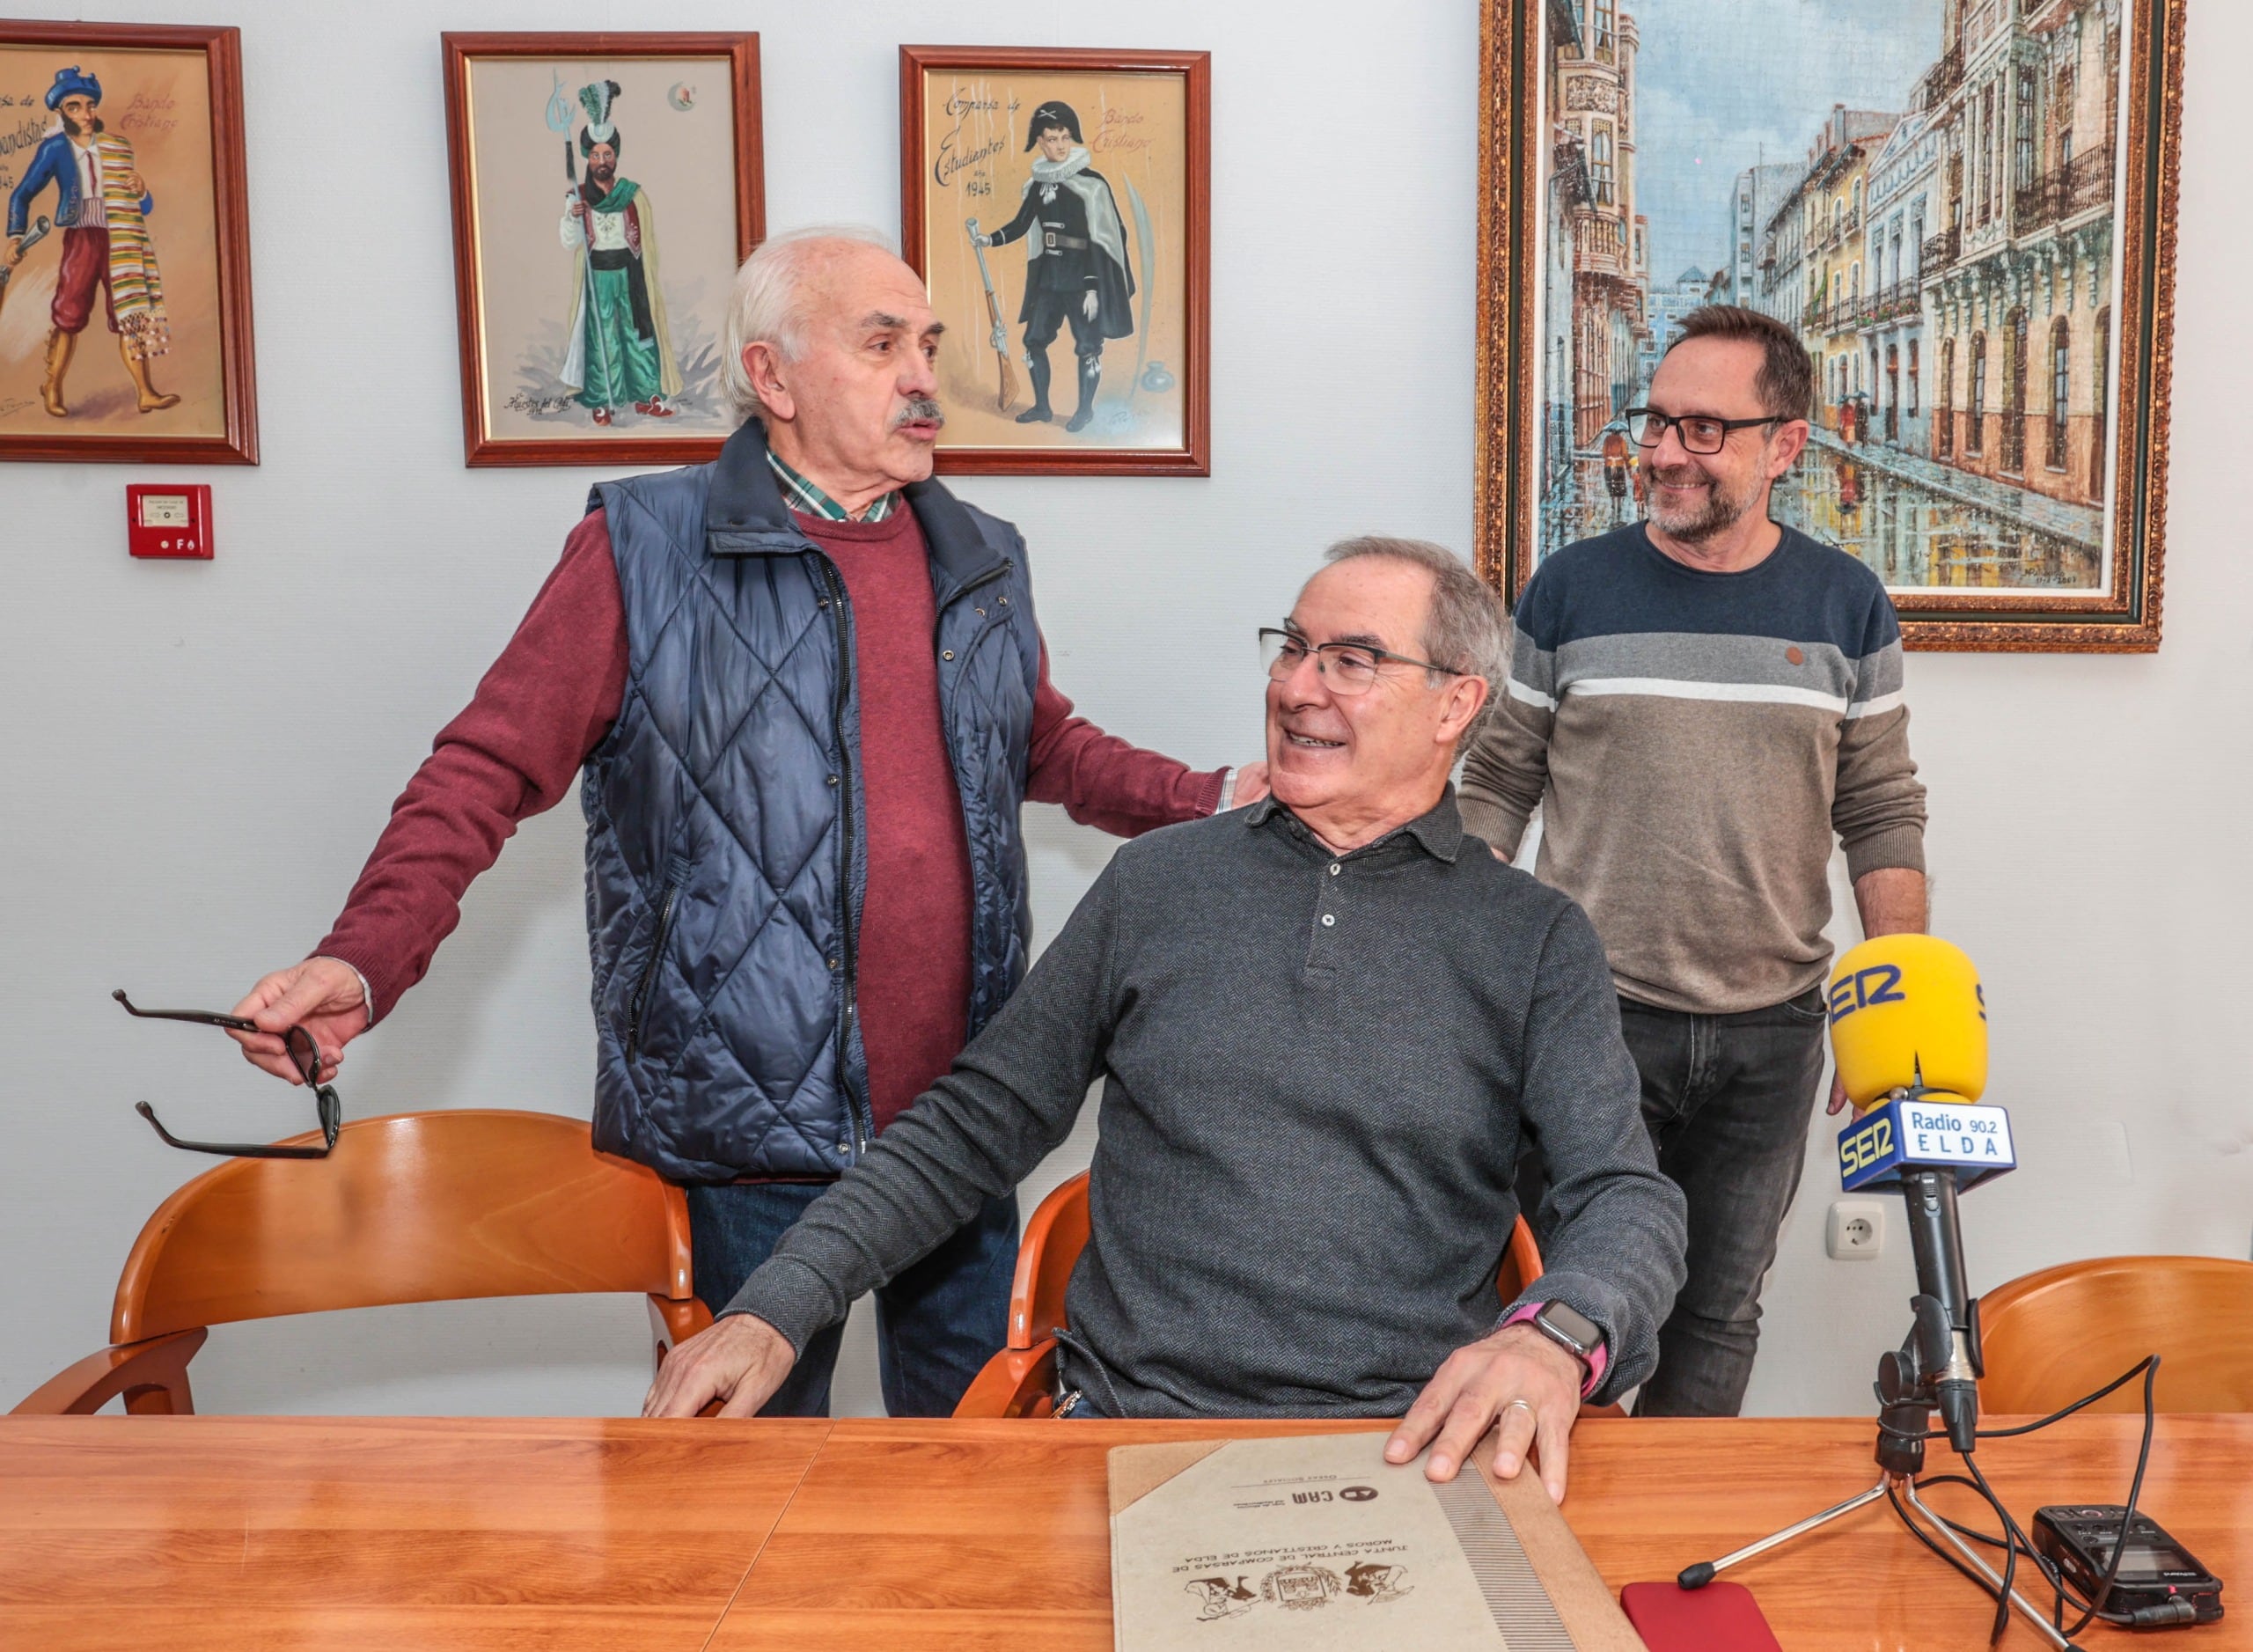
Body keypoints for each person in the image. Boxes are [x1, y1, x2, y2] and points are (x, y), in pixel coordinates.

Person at [225, 227, 1262, 1419]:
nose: (923, 374)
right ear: (772, 378)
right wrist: (364, 959)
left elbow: (1038, 745)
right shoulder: (643, 549)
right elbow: (486, 765)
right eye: (881, 344)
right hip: (744, 1124)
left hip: (959, 1120)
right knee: (738, 1498)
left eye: (926, 342)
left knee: (980, 1479)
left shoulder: (979, 556)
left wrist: (1215, 795)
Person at [646, 536, 1689, 1506]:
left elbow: (1626, 1199)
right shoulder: (1156, 883)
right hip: (1129, 1435)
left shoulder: (1532, 934)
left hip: (1406, 1446)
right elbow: (970, 1125)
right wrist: (777, 1301)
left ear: (1456, 702)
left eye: (1352, 658)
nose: (1293, 686)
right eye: (1292, 647)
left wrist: (1555, 1332)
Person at [1461, 304, 1928, 1419]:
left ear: (1786, 444)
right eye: (1659, 420)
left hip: (1772, 1033)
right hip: (1585, 1020)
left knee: (1715, 1315)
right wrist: (1461, 973)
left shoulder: (1845, 603)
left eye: (1704, 429)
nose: (1664, 451)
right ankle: (1540, 1563)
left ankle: (1659, 1572)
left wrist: (1896, 1006)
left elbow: (1878, 804)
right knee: (1553, 1314)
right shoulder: (1569, 588)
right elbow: (1496, 786)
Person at [4, 65, 179, 417]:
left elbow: (142, 207)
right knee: (69, 315)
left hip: (122, 238)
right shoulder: (54, 149)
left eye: (90, 105)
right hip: (82, 239)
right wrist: (15, 235)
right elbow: (21, 194)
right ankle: (52, 386)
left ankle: (145, 392)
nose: (86, 114)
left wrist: (143, 191)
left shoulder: (117, 147)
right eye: (76, 107)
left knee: (131, 315)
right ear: (61, 112)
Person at [978, 100, 1134, 432]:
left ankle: (1084, 411)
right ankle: (1043, 407)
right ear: (1040, 142)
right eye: (1051, 138)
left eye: (1064, 137)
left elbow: (1103, 239)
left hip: (1083, 280)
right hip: (1049, 279)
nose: (1059, 145)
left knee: (1089, 347)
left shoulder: (1092, 185)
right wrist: (990, 239)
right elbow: (1021, 224)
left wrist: (1094, 287)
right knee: (1034, 341)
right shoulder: (1037, 184)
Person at [558, 80, 681, 425]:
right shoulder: (578, 197)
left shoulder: (632, 194)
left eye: (607, 155)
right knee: (602, 339)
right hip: (598, 277)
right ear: (588, 157)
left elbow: (647, 243)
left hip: (630, 276)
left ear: (615, 157)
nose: (602, 161)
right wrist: (572, 216)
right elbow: (569, 242)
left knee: (637, 333)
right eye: (596, 155)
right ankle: (600, 399)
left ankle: (647, 396)